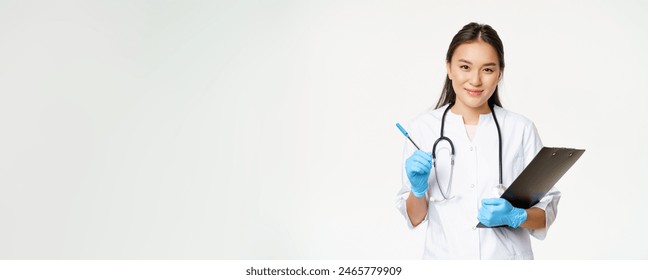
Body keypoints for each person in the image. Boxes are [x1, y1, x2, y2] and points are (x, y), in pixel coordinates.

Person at [395, 22, 560, 259]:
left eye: (487, 70)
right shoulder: (423, 129)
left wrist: (516, 216)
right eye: (465, 67)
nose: (475, 80)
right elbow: (415, 217)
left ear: (499, 73)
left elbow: (547, 210)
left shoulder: (520, 129)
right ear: (449, 68)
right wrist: (418, 190)